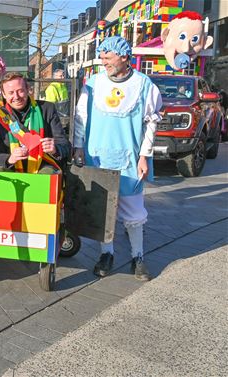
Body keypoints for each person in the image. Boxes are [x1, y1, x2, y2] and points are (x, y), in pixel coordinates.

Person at [73, 36, 162, 281]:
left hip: (129, 158)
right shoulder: (93, 83)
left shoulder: (144, 85)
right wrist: (78, 146)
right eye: (101, 57)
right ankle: (106, 254)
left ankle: (138, 256)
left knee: (133, 211)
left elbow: (151, 124)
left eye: (107, 57)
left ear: (123, 56)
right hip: (98, 156)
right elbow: (81, 116)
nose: (103, 61)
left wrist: (144, 156)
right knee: (103, 210)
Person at [0, 72, 71, 172]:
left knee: (48, 172)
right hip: (12, 169)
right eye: (11, 93)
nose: (16, 97)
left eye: (20, 91)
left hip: (42, 167)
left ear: (28, 90)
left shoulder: (47, 109)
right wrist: (9, 159)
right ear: (4, 95)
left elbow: (64, 145)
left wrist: (55, 149)